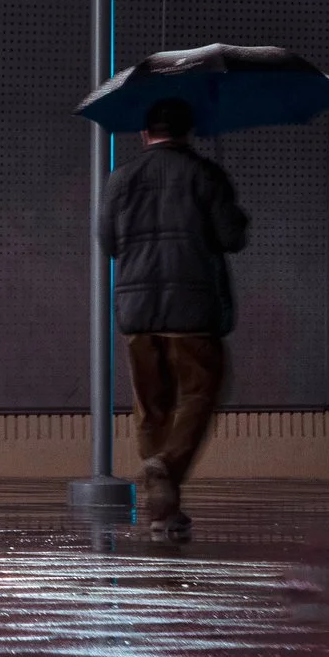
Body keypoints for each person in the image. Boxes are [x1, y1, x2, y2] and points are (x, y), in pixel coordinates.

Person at [96, 96, 249, 542]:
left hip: (138, 313)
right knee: (201, 393)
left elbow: (109, 243)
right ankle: (167, 468)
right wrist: (231, 206)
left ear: (146, 135)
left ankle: (164, 512)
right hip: (193, 311)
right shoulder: (206, 175)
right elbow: (233, 237)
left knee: (152, 409)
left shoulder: (120, 179)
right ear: (187, 133)